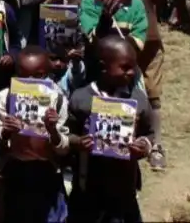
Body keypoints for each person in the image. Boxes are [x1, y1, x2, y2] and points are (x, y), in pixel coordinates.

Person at [110, 0, 173, 171]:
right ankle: (118, 141)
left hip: (148, 34)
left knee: (153, 92)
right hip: (116, 35)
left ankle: (155, 146)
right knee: (118, 87)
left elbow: (162, 0)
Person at [66, 36, 154, 223]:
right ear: (103, 67)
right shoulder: (81, 99)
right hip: (87, 190)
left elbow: (150, 133)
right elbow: (67, 134)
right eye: (125, 67)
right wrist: (78, 142)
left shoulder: (138, 99)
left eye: (133, 67)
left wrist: (143, 146)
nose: (132, 72)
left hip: (124, 191)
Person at [0, 46, 69, 223]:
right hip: (15, 172)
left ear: (47, 74)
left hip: (47, 172)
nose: (31, 82)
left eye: (38, 76)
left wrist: (53, 130)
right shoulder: (5, 97)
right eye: (23, 75)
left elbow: (64, 148)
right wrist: (5, 132)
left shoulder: (57, 99)